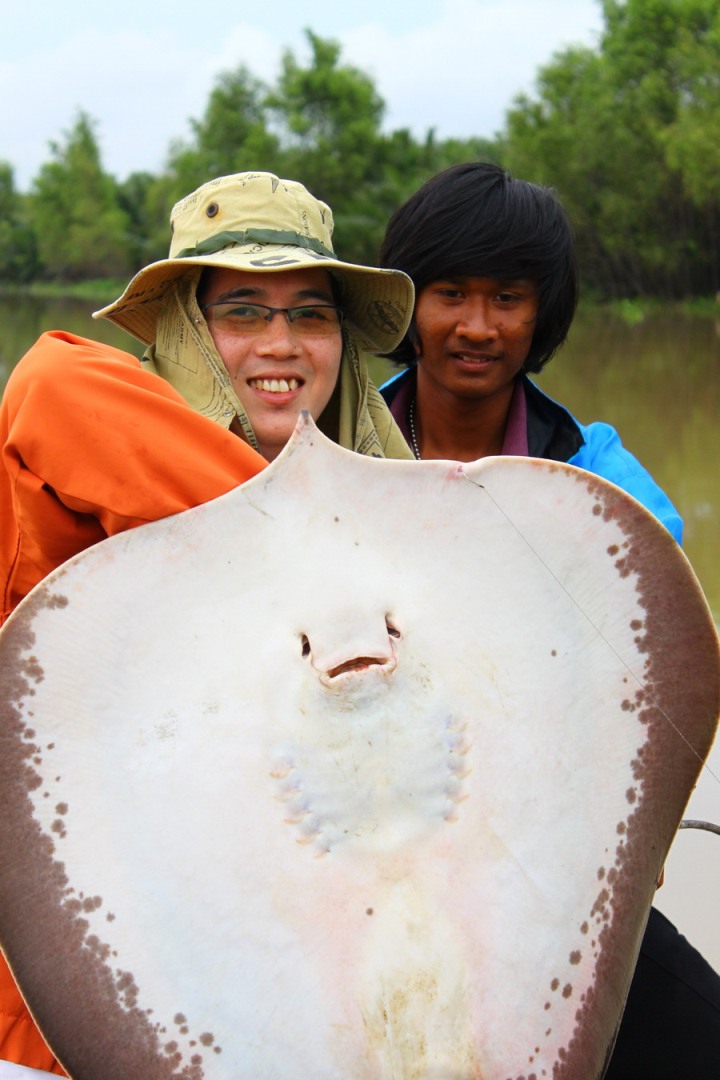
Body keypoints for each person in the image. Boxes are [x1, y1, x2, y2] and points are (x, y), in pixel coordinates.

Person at [0, 171, 414, 1076]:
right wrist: (306, 550)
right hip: (62, 1013)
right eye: (242, 312)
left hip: (282, 995)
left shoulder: (394, 498)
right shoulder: (88, 436)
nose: (283, 343)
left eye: (311, 313)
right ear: (186, 330)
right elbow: (44, 384)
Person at [378, 160, 720, 1078]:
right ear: (406, 303)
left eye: (509, 297)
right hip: (367, 855)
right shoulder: (334, 454)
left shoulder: (599, 478)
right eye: (449, 293)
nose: (478, 327)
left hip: (541, 856)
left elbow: (657, 631)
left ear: (545, 314)